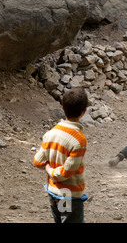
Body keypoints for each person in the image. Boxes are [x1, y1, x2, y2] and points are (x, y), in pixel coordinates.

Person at [34, 87, 89, 223]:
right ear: (84, 112)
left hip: (53, 192)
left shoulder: (51, 133)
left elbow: (37, 161)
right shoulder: (79, 141)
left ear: (62, 107)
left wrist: (47, 166)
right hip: (68, 195)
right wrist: (50, 170)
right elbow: (64, 174)